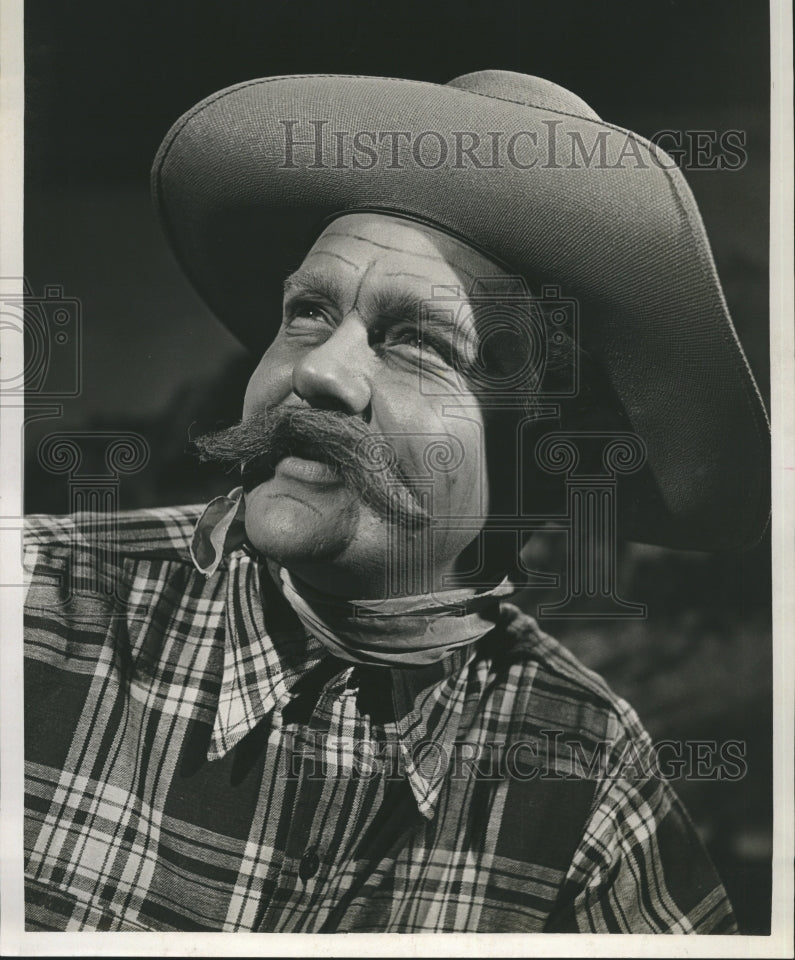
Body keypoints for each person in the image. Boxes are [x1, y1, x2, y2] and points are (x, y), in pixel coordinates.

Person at [23, 70, 769, 933]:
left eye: (416, 341)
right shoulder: (37, 607)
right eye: (307, 313)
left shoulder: (586, 775)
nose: (318, 370)